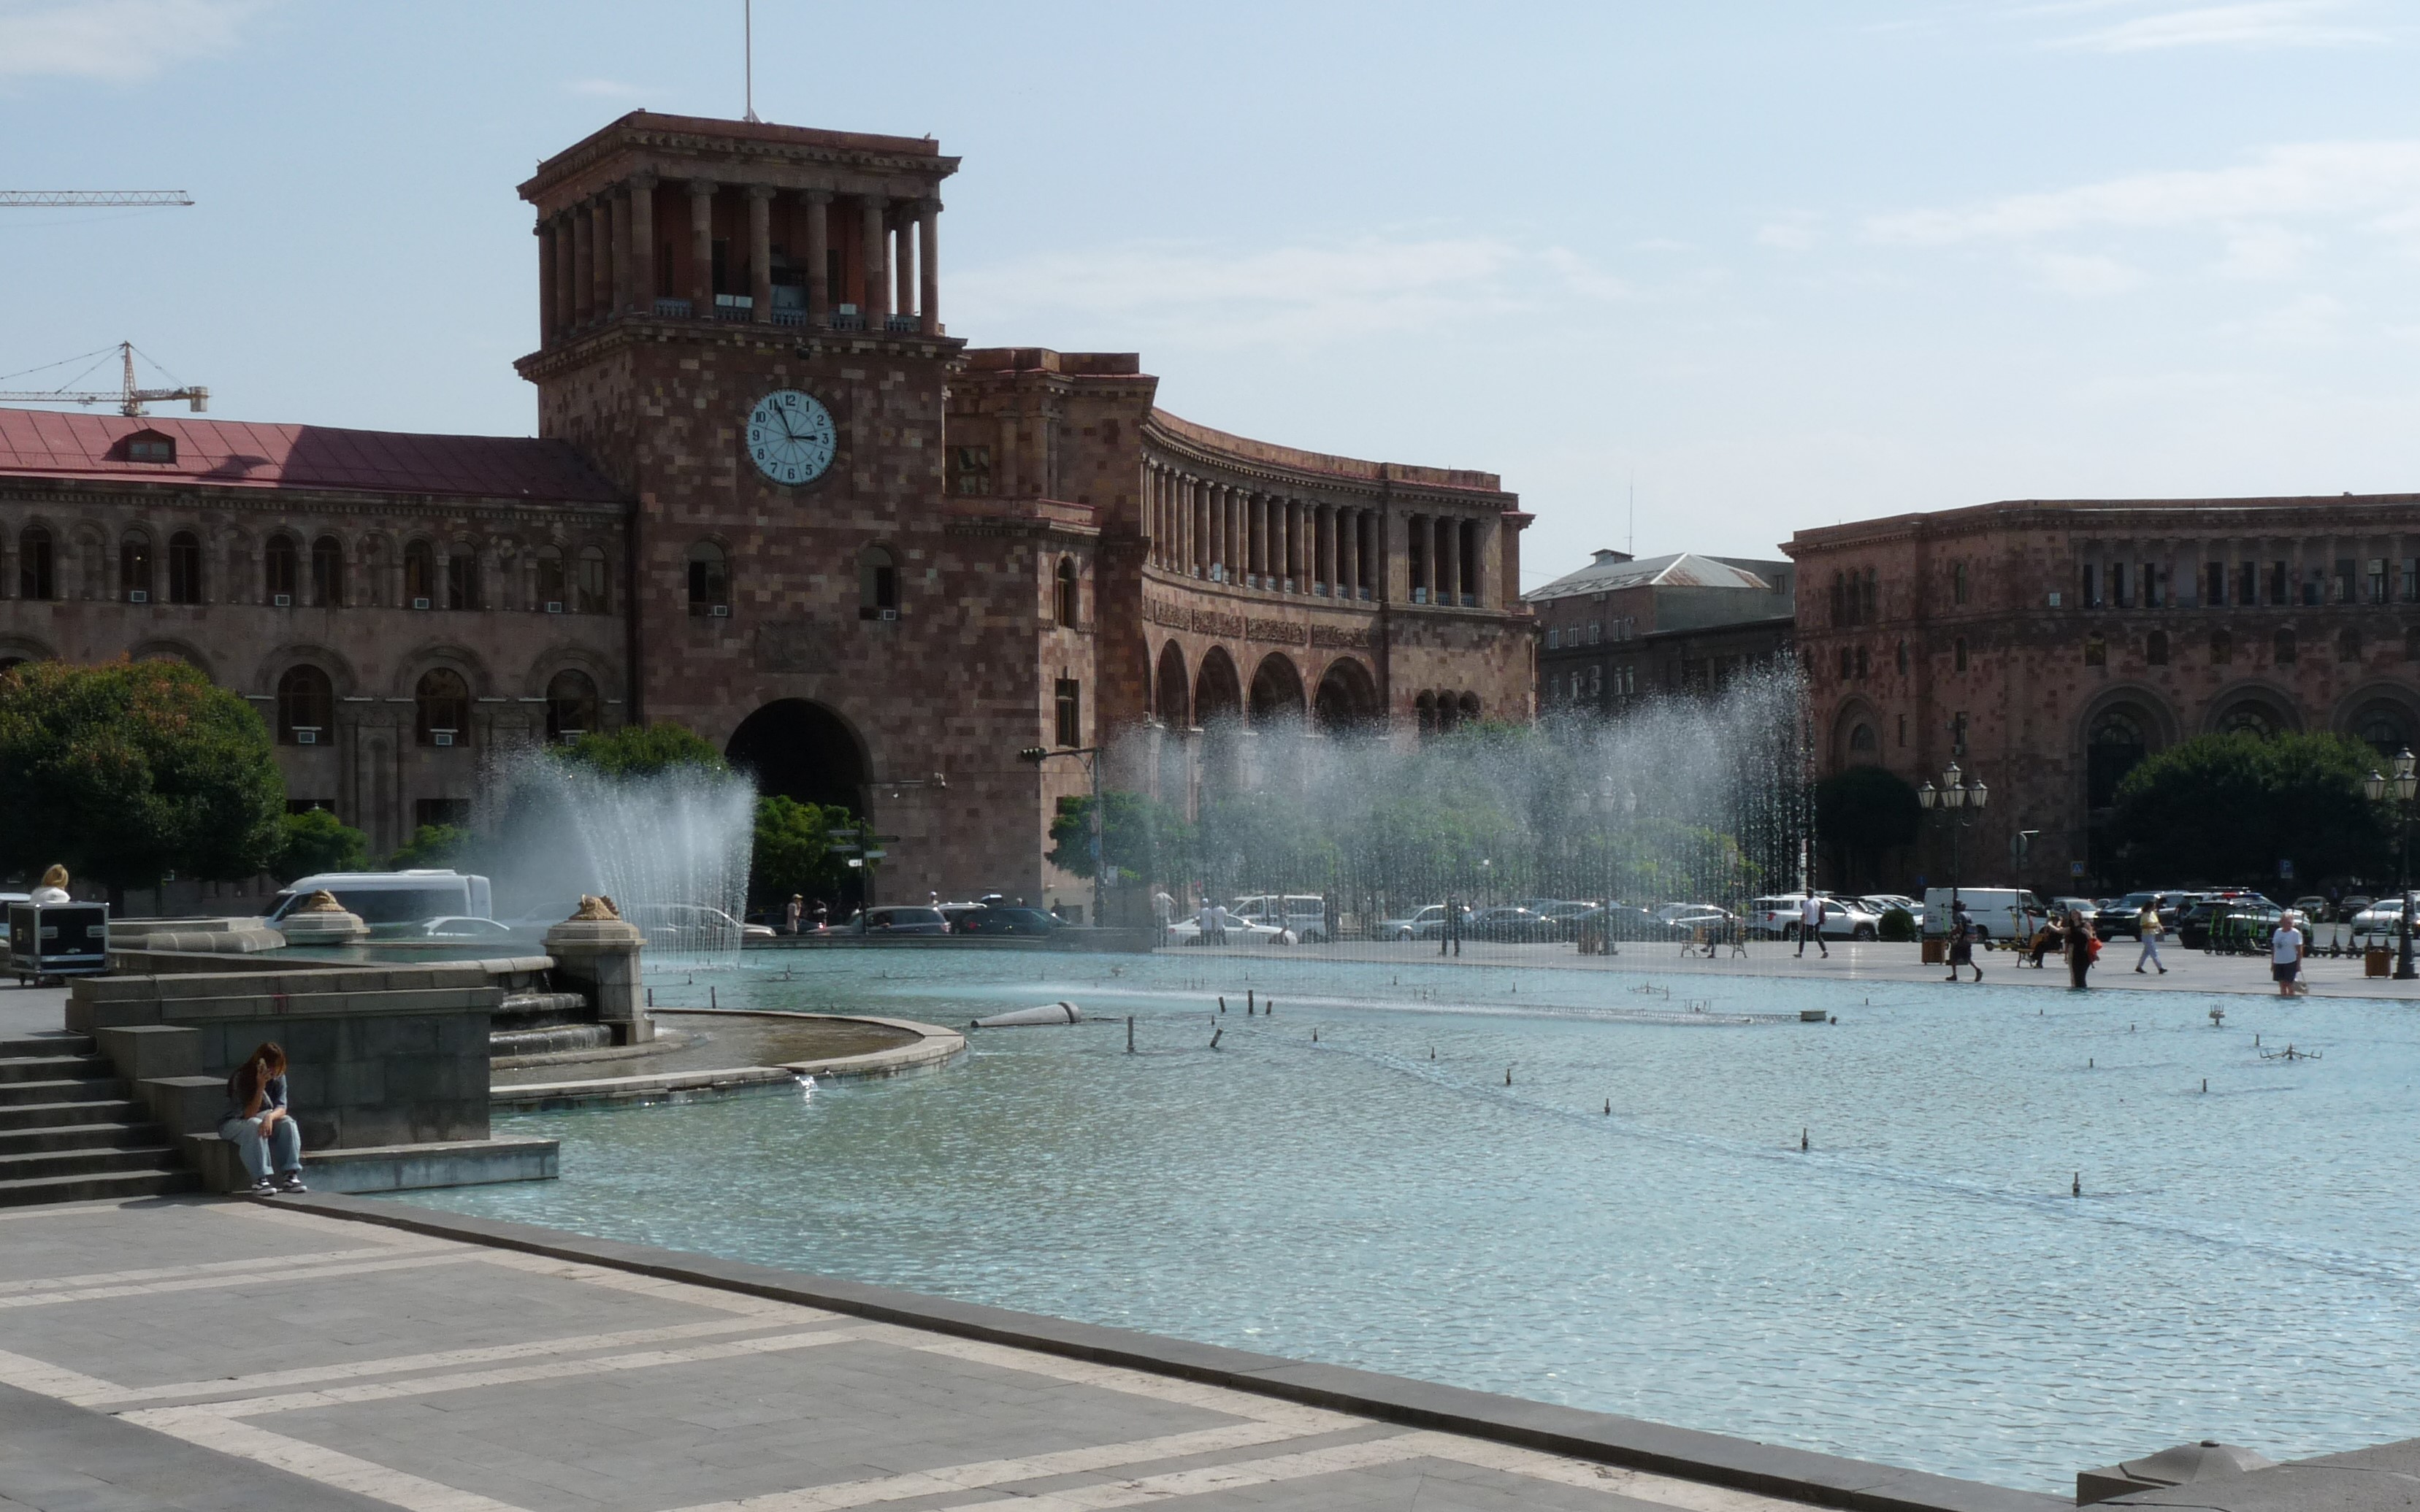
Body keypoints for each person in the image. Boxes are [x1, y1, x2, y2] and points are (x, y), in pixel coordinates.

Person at [219, 1041, 305, 1194]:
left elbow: (282, 1108)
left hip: (263, 1117)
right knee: (255, 1125)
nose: (274, 1071)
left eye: (277, 1066)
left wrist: (269, 1117)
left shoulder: (279, 1077)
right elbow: (248, 1114)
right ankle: (260, 1179)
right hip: (233, 1121)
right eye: (271, 1066)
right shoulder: (242, 1077)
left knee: (288, 1123)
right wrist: (260, 1087)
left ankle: (290, 1174)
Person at [2271, 910, 2305, 997]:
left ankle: (2291, 1000)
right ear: (2281, 922)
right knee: (2282, 985)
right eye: (2286, 922)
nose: (2288, 924)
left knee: (2290, 985)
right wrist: (2272, 963)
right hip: (2278, 962)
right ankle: (2283, 1000)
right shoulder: (2278, 932)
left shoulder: (2295, 933)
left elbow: (2299, 951)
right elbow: (2274, 948)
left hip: (2290, 961)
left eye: (2290, 922)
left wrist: (2298, 965)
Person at [1945, 900, 1981, 982]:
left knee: (1953, 956)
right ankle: (1977, 969)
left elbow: (1960, 927)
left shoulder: (1958, 915)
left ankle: (1954, 975)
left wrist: (1952, 934)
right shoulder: (1967, 914)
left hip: (1960, 939)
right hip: (1968, 939)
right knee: (1967, 957)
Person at [2064, 908, 2097, 991]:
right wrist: (2050, 924)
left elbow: (2092, 938)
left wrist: (2087, 933)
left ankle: (2083, 992)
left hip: (2084, 952)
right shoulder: (2071, 927)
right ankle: (2078, 992)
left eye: (2075, 914)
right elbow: (2060, 931)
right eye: (2072, 914)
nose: (2073, 915)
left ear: (2079, 915)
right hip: (2074, 953)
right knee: (2076, 975)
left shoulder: (2085, 925)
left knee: (2081, 975)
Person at [2134, 897, 2167, 975]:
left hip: (2152, 934)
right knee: (2153, 952)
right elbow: (2143, 926)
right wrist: (2153, 927)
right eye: (2153, 906)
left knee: (2146, 953)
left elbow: (2157, 922)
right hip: (2146, 936)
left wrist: (2160, 927)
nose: (2155, 907)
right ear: (2150, 907)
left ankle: (2139, 967)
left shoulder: (2153, 913)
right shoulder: (2145, 915)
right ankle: (2160, 968)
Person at [1796, 894, 1829, 959]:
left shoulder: (1807, 903)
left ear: (1807, 895)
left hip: (1808, 923)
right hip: (1816, 922)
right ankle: (1825, 951)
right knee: (1818, 937)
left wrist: (1801, 925)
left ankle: (1800, 953)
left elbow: (1804, 915)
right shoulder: (1817, 902)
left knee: (1802, 937)